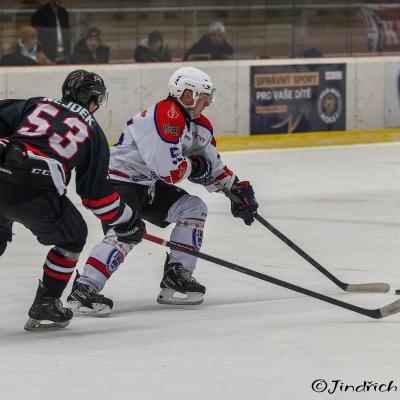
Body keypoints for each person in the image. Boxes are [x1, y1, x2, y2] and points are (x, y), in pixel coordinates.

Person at [67, 66, 258, 315]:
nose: (207, 102)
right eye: (203, 97)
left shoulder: (199, 126)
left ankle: (176, 275)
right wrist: (196, 166)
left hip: (147, 185)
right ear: (187, 94)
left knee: (193, 208)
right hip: (118, 181)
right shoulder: (164, 116)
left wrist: (235, 189)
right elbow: (171, 171)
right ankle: (84, 289)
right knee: (126, 232)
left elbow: (212, 164)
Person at [0, 69, 145, 331]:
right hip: (35, 190)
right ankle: (47, 302)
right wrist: (128, 220)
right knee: (74, 236)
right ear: (93, 100)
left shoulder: (37, 104)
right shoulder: (93, 131)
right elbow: (97, 198)